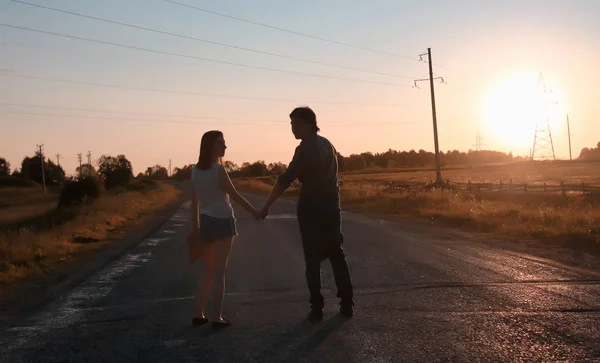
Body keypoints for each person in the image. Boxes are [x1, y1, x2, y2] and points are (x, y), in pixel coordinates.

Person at [257, 106, 354, 321]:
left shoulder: (306, 148)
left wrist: (265, 206)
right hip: (331, 205)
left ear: (310, 124)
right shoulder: (327, 144)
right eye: (291, 124)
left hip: (312, 207)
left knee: (312, 258)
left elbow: (286, 178)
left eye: (296, 124)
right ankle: (347, 303)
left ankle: (317, 307)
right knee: (336, 253)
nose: (292, 129)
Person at [188, 130, 260, 329]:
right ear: (211, 146)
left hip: (206, 223)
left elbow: (194, 204)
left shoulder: (194, 171)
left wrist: (196, 230)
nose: (225, 146)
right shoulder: (218, 170)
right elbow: (234, 195)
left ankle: (198, 314)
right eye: (221, 143)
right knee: (219, 273)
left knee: (208, 272)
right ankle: (216, 317)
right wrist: (255, 212)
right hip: (222, 222)